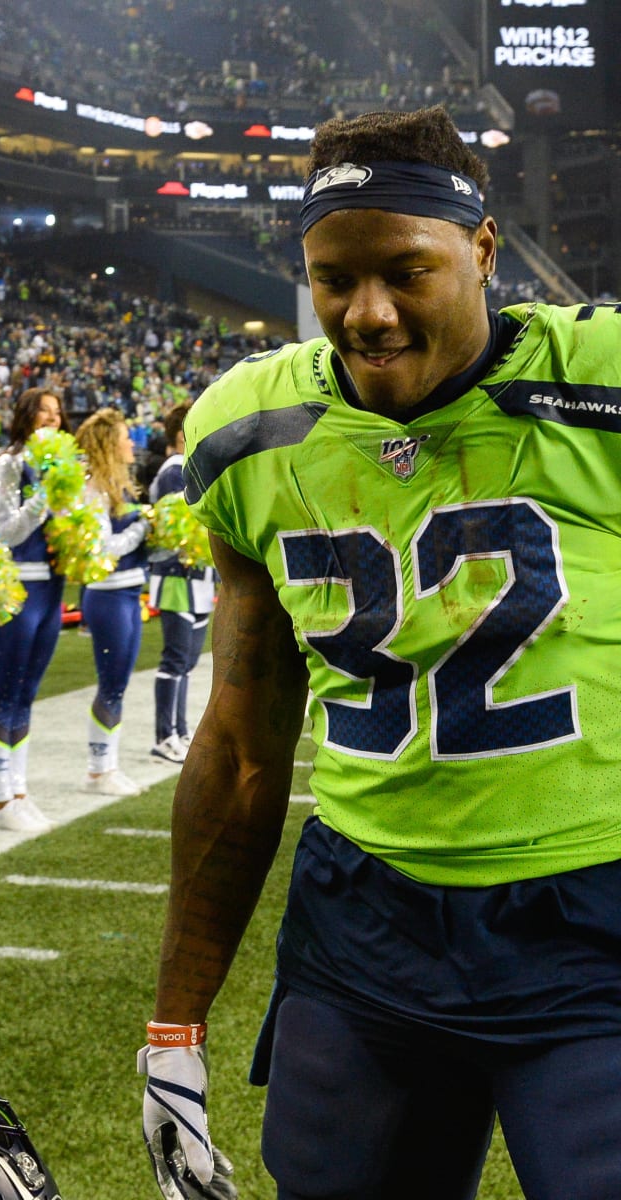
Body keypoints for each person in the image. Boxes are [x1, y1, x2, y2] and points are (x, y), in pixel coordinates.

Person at [140, 104, 621, 1200]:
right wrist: (175, 1024)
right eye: (332, 278)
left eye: (408, 272)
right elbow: (243, 741)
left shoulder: (596, 383)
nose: (367, 313)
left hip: (591, 915)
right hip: (367, 921)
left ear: (483, 251)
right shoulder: (248, 431)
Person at [0, 387, 64, 833]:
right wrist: (45, 496)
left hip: (53, 587)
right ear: (26, 417)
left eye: (57, 412)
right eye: (43, 411)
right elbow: (7, 532)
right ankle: (0, 800)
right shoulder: (9, 464)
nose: (52, 418)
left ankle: (18, 790)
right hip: (19, 585)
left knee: (28, 692)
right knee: (6, 690)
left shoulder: (63, 465)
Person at [75, 408, 149, 797]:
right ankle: (99, 770)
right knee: (112, 683)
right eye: (124, 436)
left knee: (118, 684)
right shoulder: (91, 490)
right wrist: (143, 528)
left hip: (128, 591)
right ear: (109, 444)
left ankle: (107, 765)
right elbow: (103, 550)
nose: (131, 443)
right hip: (108, 593)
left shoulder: (117, 485)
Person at [147, 403, 216, 765]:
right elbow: (181, 527)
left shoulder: (187, 468)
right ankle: (164, 735)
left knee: (187, 661)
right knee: (175, 659)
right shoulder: (175, 471)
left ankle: (179, 729)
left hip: (199, 576)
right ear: (181, 435)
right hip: (178, 576)